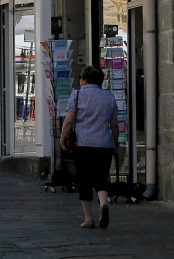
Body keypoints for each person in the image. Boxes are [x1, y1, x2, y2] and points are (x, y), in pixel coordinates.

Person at [60, 66, 119, 229]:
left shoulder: (77, 95)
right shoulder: (109, 96)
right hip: (104, 144)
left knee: (84, 180)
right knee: (101, 177)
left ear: (85, 79)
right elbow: (114, 124)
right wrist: (114, 142)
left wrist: (62, 138)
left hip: (83, 143)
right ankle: (103, 203)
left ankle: (88, 218)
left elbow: (69, 121)